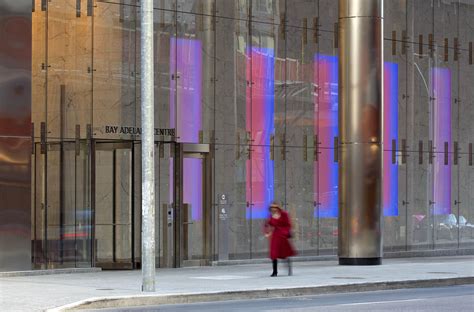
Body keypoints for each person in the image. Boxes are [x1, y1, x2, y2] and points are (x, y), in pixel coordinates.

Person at [264, 203, 296, 277]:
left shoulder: (284, 214)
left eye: (275, 208)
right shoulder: (270, 216)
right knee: (274, 254)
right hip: (275, 236)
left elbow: (288, 224)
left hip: (283, 236)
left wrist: (285, 232)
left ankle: (289, 268)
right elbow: (267, 224)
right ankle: (275, 272)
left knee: (284, 253)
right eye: (272, 208)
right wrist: (267, 232)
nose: (273, 210)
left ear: (278, 208)